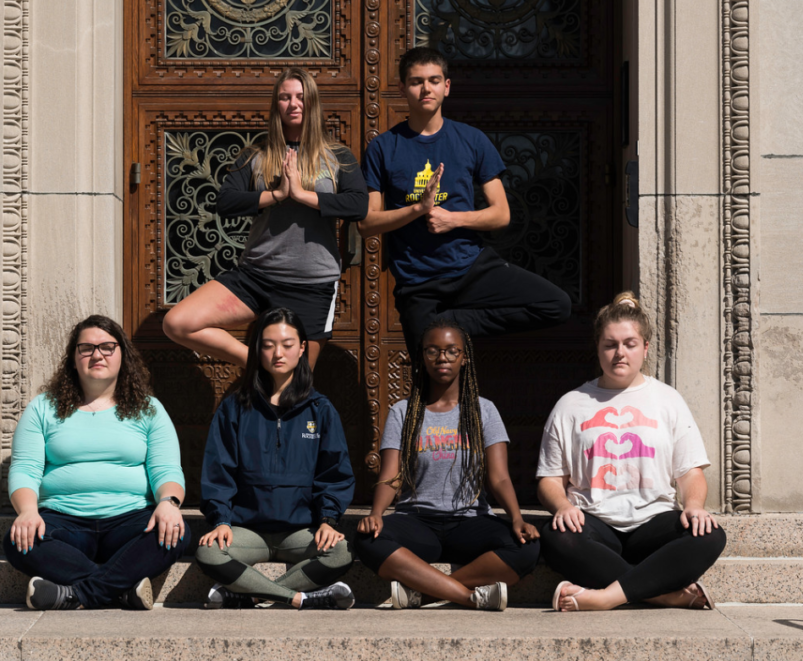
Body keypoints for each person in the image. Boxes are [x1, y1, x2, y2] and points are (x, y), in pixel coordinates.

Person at [359, 47, 570, 352]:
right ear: (403, 88)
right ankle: (438, 325)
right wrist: (418, 209)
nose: (426, 88)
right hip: (418, 284)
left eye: (434, 80)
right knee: (428, 386)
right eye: (417, 81)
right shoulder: (383, 148)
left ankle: (449, 323)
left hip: (471, 270)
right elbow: (367, 223)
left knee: (556, 304)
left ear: (446, 86)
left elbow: (501, 215)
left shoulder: (471, 140)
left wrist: (452, 219)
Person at [162, 68, 368, 369]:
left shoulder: (337, 156)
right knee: (177, 322)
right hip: (256, 277)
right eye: (285, 97)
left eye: (300, 97)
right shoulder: (255, 155)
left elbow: (358, 205)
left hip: (312, 284)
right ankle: (257, 364)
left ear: (312, 103)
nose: (293, 103)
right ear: (276, 105)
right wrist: (277, 194)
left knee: (294, 387)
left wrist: (300, 194)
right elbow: (226, 201)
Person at [536, 292, 727, 612]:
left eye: (629, 344)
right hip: (595, 524)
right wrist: (561, 505)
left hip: (653, 526)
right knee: (557, 538)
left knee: (710, 535)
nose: (619, 353)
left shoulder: (667, 400)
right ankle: (666, 595)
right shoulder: (571, 404)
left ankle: (605, 597)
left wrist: (694, 505)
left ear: (645, 348)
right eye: (610, 345)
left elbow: (690, 471)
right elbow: (550, 479)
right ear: (598, 348)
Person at [4, 315, 187, 611]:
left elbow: (166, 469)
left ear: (122, 355)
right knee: (17, 542)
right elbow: (25, 468)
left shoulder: (148, 409)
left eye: (107, 347)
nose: (97, 354)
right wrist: (27, 511)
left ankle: (76, 595)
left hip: (130, 519)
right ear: (73, 358)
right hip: (64, 521)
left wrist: (168, 501)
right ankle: (121, 591)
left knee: (176, 533)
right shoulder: (44, 407)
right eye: (86, 347)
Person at [355, 319, 540, 611]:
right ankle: (467, 596)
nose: (442, 358)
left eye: (452, 351)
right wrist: (376, 513)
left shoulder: (484, 410)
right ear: (422, 358)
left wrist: (516, 518)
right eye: (432, 351)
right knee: (367, 539)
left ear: (464, 358)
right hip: (417, 521)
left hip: (470, 522)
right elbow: (391, 475)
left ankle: (426, 594)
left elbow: (500, 477)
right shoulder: (403, 411)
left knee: (526, 547)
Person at [195, 307, 357, 609]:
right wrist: (220, 520)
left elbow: (335, 472)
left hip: (301, 531)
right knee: (208, 553)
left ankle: (249, 595)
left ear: (302, 348)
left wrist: (328, 519)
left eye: (286, 344)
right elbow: (219, 471)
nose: (277, 353)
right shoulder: (235, 408)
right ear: (257, 349)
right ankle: (298, 598)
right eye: (268, 345)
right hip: (247, 529)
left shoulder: (320, 409)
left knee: (341, 552)